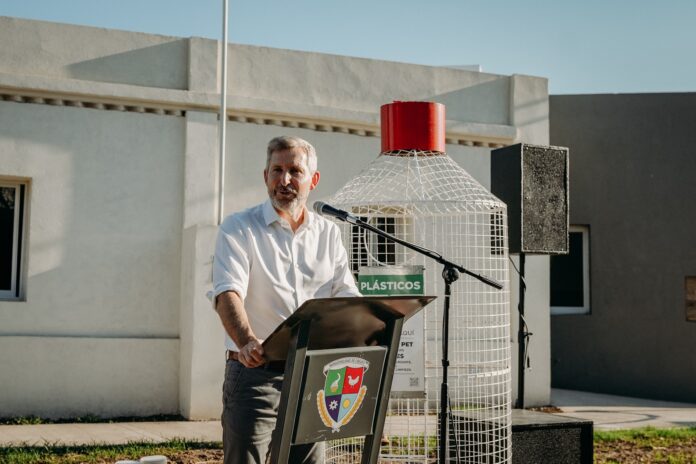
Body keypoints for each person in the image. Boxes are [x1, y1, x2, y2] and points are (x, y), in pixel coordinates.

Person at [212, 135, 361, 464]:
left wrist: (366, 326)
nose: (284, 180)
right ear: (265, 176)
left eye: (295, 171)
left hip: (315, 375)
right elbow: (227, 292)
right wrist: (246, 341)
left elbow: (346, 294)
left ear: (313, 180)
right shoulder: (239, 227)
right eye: (276, 170)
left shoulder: (328, 234)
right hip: (255, 374)